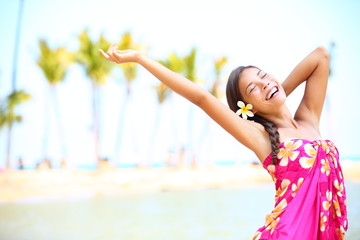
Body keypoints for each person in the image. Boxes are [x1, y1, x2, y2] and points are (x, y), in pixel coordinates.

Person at [99, 44, 347, 239]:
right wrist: (141, 59)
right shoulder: (259, 136)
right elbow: (201, 98)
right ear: (247, 107)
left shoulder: (308, 119)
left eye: (264, 77)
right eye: (254, 89)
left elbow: (321, 56)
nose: (264, 84)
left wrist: (275, 91)